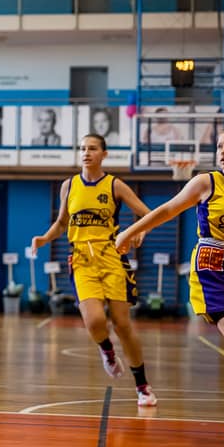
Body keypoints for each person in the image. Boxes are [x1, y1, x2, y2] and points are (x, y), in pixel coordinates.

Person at [115, 126, 224, 445]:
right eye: (220, 146)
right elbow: (167, 209)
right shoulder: (207, 182)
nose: (223, 151)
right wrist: (129, 232)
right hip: (213, 262)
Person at [30, 134, 158, 406]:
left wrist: (141, 230)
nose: (86, 153)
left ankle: (142, 385)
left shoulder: (115, 185)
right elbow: (62, 222)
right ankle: (107, 351)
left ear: (104, 154)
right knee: (95, 321)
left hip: (112, 258)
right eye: (83, 148)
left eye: (92, 148)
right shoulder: (69, 185)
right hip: (82, 260)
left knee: (122, 325)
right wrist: (44, 238)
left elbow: (149, 215)